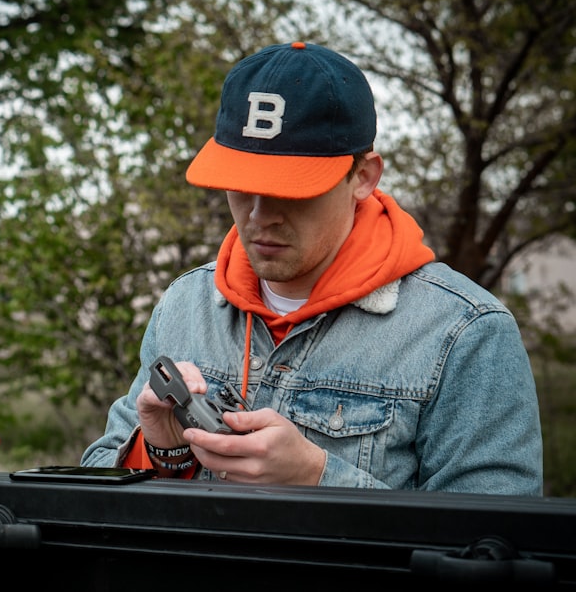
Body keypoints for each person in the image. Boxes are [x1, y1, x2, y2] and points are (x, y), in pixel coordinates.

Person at [81, 41, 543, 494]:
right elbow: (95, 482)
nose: (261, 215)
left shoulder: (464, 334)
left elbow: (492, 547)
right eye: (240, 185)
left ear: (363, 177)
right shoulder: (186, 304)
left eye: (291, 188)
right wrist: (162, 452)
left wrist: (319, 481)